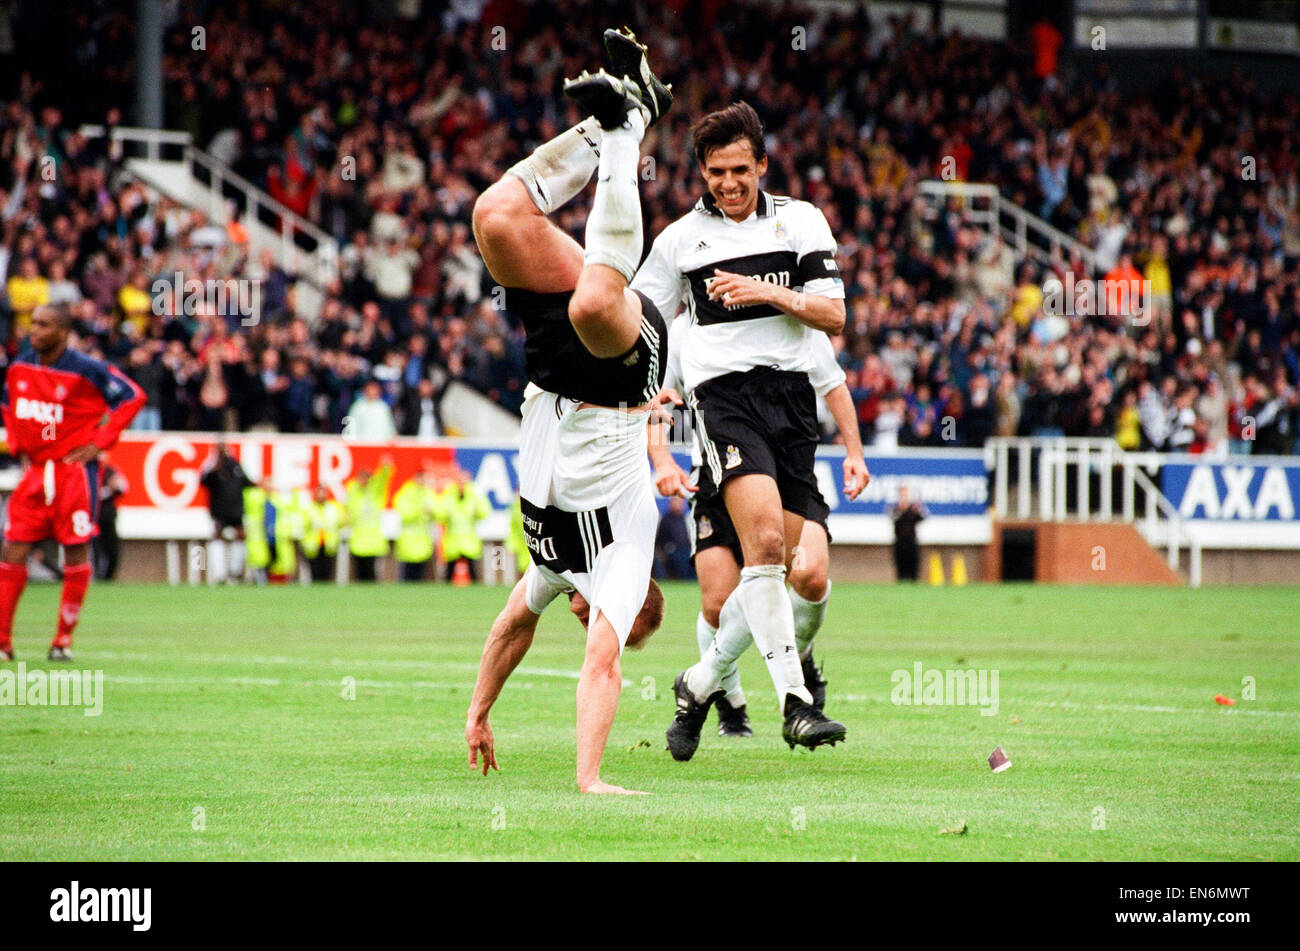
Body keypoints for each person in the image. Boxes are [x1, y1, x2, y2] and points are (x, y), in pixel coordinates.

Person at [466, 28, 672, 794]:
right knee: (593, 301)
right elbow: (604, 667)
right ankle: (625, 134)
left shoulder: (554, 568)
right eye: (599, 616)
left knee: (496, 217)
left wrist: (478, 712)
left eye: (586, 617)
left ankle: (612, 118)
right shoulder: (624, 554)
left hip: (555, 369)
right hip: (628, 371)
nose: (586, 620)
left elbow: (509, 627)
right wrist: (591, 777)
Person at [632, 100, 851, 757]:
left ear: (762, 163)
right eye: (714, 171)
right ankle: (795, 701)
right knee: (760, 544)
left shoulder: (800, 221)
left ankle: (697, 683)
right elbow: (644, 322)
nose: (727, 182)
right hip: (724, 401)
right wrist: (654, 435)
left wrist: (769, 293)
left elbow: (834, 315)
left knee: (779, 565)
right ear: (700, 171)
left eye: (739, 169)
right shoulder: (678, 241)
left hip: (790, 402)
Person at [649, 319, 869, 740]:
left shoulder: (796, 312)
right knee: (718, 604)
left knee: (807, 573)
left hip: (788, 468)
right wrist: (660, 457)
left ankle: (779, 663)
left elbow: (833, 382)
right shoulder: (683, 331)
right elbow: (658, 398)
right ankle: (732, 704)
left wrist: (854, 452)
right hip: (717, 473)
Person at [0, 304, 145, 662]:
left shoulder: (88, 370)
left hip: (72, 474)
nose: (34, 330)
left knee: (75, 551)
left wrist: (100, 442)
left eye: (44, 325)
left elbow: (132, 396)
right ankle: (3, 642)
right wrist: (19, 444)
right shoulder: (19, 367)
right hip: (34, 473)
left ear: (63, 333)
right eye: (33, 323)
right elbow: (8, 405)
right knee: (12, 551)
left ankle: (62, 641)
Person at [200, 441, 253, 584]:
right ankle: (219, 574)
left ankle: (235, 571)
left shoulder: (235, 465)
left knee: (241, 536)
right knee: (218, 537)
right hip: (219, 510)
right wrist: (214, 468)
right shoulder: (211, 464)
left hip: (236, 509)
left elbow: (247, 482)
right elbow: (203, 481)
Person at [436, 469, 491, 583]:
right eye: (460, 482)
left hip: (469, 540)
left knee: (473, 571)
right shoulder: (448, 495)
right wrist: (445, 514)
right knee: (449, 573)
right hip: (453, 541)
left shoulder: (474, 495)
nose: (462, 485)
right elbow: (440, 513)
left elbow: (485, 511)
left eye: (464, 482)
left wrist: (478, 511)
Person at [345, 460, 393, 581]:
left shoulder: (375, 493)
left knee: (372, 573)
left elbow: (383, 480)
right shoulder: (353, 491)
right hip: (358, 540)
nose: (364, 480)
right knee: (359, 573)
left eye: (367, 477)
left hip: (373, 540)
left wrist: (385, 467)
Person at [393, 466, 440, 581]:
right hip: (408, 543)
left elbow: (439, 512)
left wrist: (432, 512)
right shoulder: (405, 493)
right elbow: (403, 515)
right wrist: (420, 510)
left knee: (421, 578)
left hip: (423, 543)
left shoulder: (429, 493)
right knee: (406, 575)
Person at [92, 453, 128, 581]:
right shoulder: (92, 472)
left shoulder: (112, 471)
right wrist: (108, 490)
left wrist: (115, 487)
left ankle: (109, 577)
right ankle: (97, 576)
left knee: (112, 548)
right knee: (96, 548)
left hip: (109, 517)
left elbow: (124, 488)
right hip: (94, 518)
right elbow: (92, 494)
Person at [653, 496, 694, 580]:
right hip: (672, 549)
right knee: (679, 558)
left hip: (686, 548)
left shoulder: (684, 518)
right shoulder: (666, 519)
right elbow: (661, 539)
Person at [891, 486, 927, 582]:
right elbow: (893, 518)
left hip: (911, 541)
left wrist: (916, 510)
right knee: (900, 568)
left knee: (913, 568)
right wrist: (902, 509)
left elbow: (923, 517)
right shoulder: (895, 508)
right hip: (899, 542)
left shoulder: (914, 509)